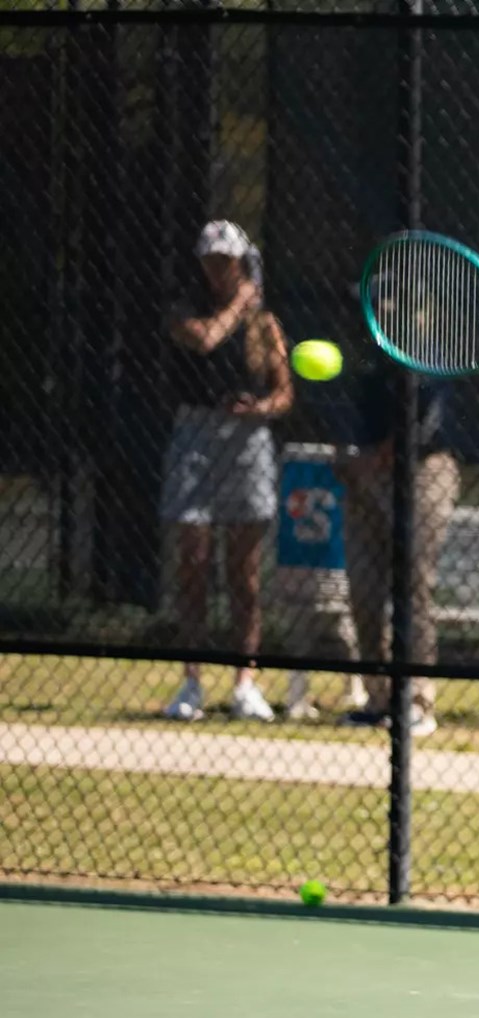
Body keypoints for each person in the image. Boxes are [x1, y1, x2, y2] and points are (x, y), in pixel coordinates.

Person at [159, 220, 294, 722]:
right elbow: (206, 340)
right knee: (193, 561)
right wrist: (241, 302)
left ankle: (244, 682)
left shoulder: (265, 326)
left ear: (241, 261)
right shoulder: (183, 311)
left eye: (227, 260)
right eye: (211, 260)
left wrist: (258, 408)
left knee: (244, 572)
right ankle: (191, 682)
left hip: (247, 445)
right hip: (194, 436)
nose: (218, 268)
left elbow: (285, 392)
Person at [334, 360, 460, 738]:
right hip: (363, 473)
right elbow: (341, 410)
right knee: (364, 591)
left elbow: (424, 418)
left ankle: (417, 701)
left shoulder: (430, 348)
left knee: (413, 589)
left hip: (422, 470)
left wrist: (381, 455)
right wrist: (349, 456)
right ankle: (378, 699)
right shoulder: (357, 345)